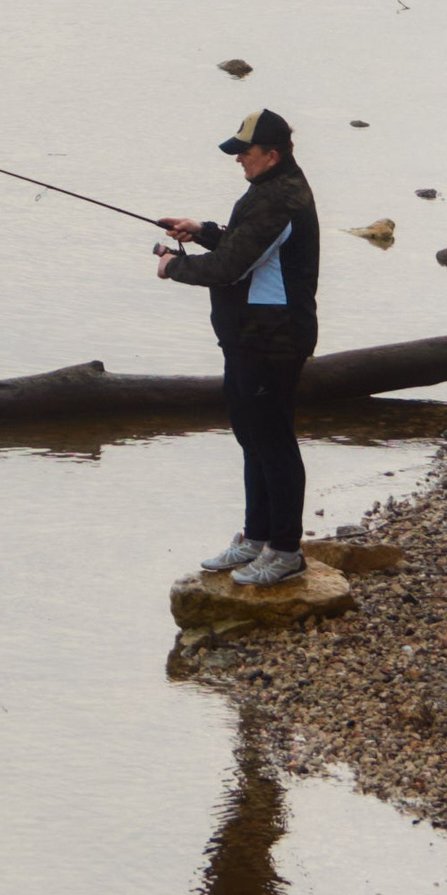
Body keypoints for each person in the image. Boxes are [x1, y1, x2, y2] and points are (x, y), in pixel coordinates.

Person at [155, 106, 319, 589]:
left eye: (243, 152)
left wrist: (172, 267)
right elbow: (245, 248)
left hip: (273, 339)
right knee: (252, 437)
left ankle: (286, 550)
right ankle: (257, 537)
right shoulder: (268, 190)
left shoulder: (277, 199)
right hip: (249, 336)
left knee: (273, 441)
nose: (238, 160)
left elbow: (229, 269)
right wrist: (202, 231)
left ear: (272, 154)